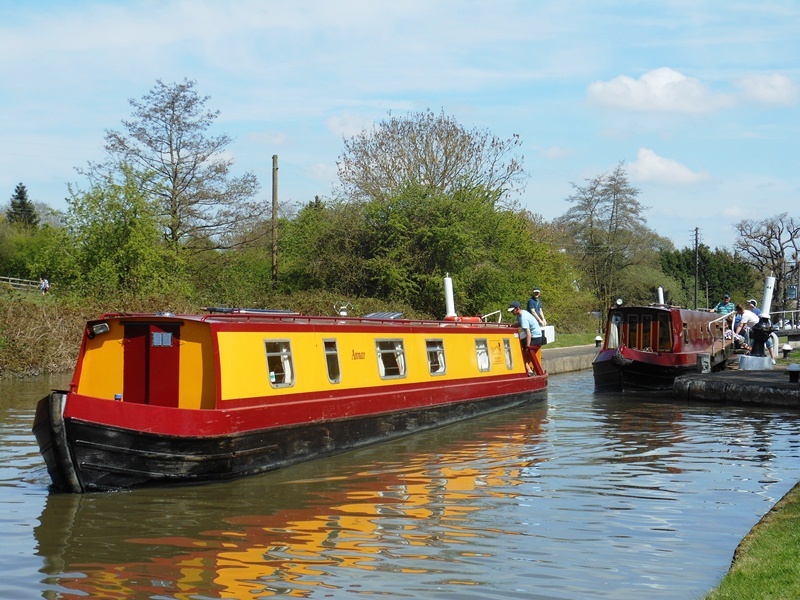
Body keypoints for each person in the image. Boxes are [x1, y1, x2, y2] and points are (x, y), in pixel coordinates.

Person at [508, 300, 543, 373]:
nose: (512, 312)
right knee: (518, 345)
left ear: (517, 309)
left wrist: (527, 347)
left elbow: (528, 333)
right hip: (533, 336)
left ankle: (529, 370)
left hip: (536, 338)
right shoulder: (520, 315)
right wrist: (511, 326)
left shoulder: (523, 317)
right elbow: (520, 324)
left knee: (520, 351)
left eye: (512, 311)